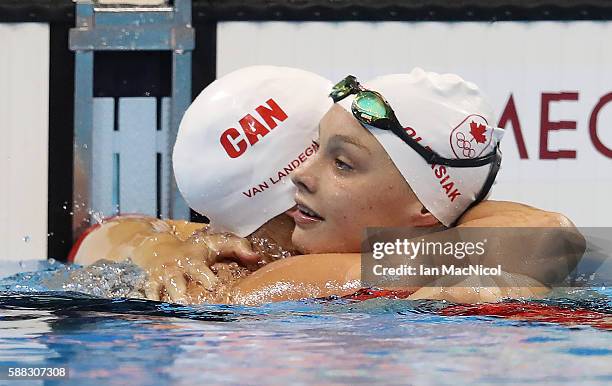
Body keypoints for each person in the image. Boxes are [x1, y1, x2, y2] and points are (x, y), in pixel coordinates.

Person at [72, 66, 583, 304]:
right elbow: (116, 235)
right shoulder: (210, 259)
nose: (303, 178)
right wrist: (159, 251)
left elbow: (543, 236)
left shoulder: (264, 283)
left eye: (340, 163)